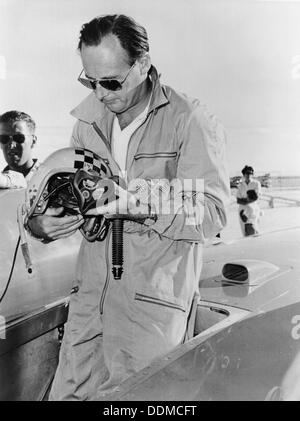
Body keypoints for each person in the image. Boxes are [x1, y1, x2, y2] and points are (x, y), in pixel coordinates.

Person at [26, 14, 230, 400]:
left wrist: (141, 205)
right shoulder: (87, 123)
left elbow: (213, 213)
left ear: (143, 65)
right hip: (88, 307)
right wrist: (42, 224)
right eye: (90, 81)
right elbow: (70, 200)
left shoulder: (189, 120)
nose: (100, 94)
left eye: (111, 82)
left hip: (151, 314)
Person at [0, 110, 39, 188]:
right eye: (4, 138)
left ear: (33, 141)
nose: (11, 146)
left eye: (19, 138)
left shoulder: (51, 180)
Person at [237, 165, 261, 236]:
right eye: (247, 173)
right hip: (242, 210)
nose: (249, 175)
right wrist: (246, 201)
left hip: (253, 209)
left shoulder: (256, 183)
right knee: (244, 232)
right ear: (244, 174)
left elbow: (256, 197)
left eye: (250, 173)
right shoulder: (240, 185)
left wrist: (245, 201)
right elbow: (238, 200)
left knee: (253, 229)